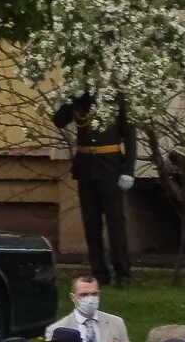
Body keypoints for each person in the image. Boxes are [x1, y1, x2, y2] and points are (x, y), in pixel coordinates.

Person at [50, 93, 136, 285]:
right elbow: (59, 121)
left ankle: (123, 273)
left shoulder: (115, 96)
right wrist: (72, 98)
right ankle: (100, 272)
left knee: (115, 223)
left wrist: (128, 169)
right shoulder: (79, 98)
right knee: (91, 223)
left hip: (110, 166)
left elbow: (130, 134)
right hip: (86, 167)